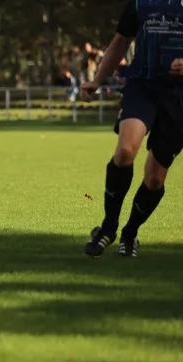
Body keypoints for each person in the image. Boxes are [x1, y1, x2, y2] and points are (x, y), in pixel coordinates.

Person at [80, 0, 183, 258]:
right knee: (126, 150)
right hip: (142, 87)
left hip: (179, 98)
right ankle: (108, 227)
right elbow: (120, 43)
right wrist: (97, 80)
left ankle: (130, 233)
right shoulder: (140, 3)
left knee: (155, 179)